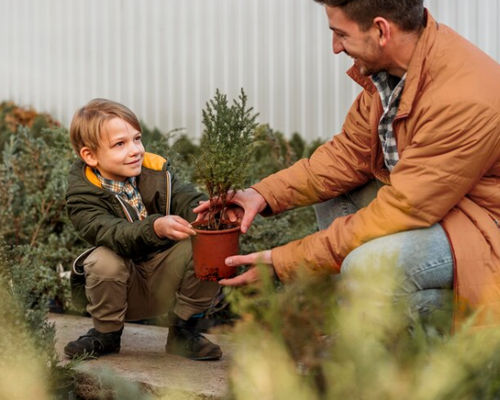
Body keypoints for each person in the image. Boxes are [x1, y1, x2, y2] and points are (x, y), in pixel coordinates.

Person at [195, 0, 500, 326]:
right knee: (335, 204)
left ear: (382, 30)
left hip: (483, 224)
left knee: (367, 269)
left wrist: (286, 261)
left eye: (341, 35)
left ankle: (454, 334)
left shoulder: (464, 97)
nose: (336, 48)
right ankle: (362, 315)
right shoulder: (395, 72)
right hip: (443, 205)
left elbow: (403, 208)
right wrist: (261, 194)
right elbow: (350, 153)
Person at [65, 98, 222, 360]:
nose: (135, 150)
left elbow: (185, 198)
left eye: (137, 139)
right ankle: (106, 334)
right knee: (103, 260)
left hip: (165, 278)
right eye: (120, 144)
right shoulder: (82, 194)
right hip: (123, 288)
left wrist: (211, 210)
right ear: (90, 156)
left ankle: (184, 332)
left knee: (207, 242)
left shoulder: (155, 169)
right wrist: (156, 227)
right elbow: (113, 233)